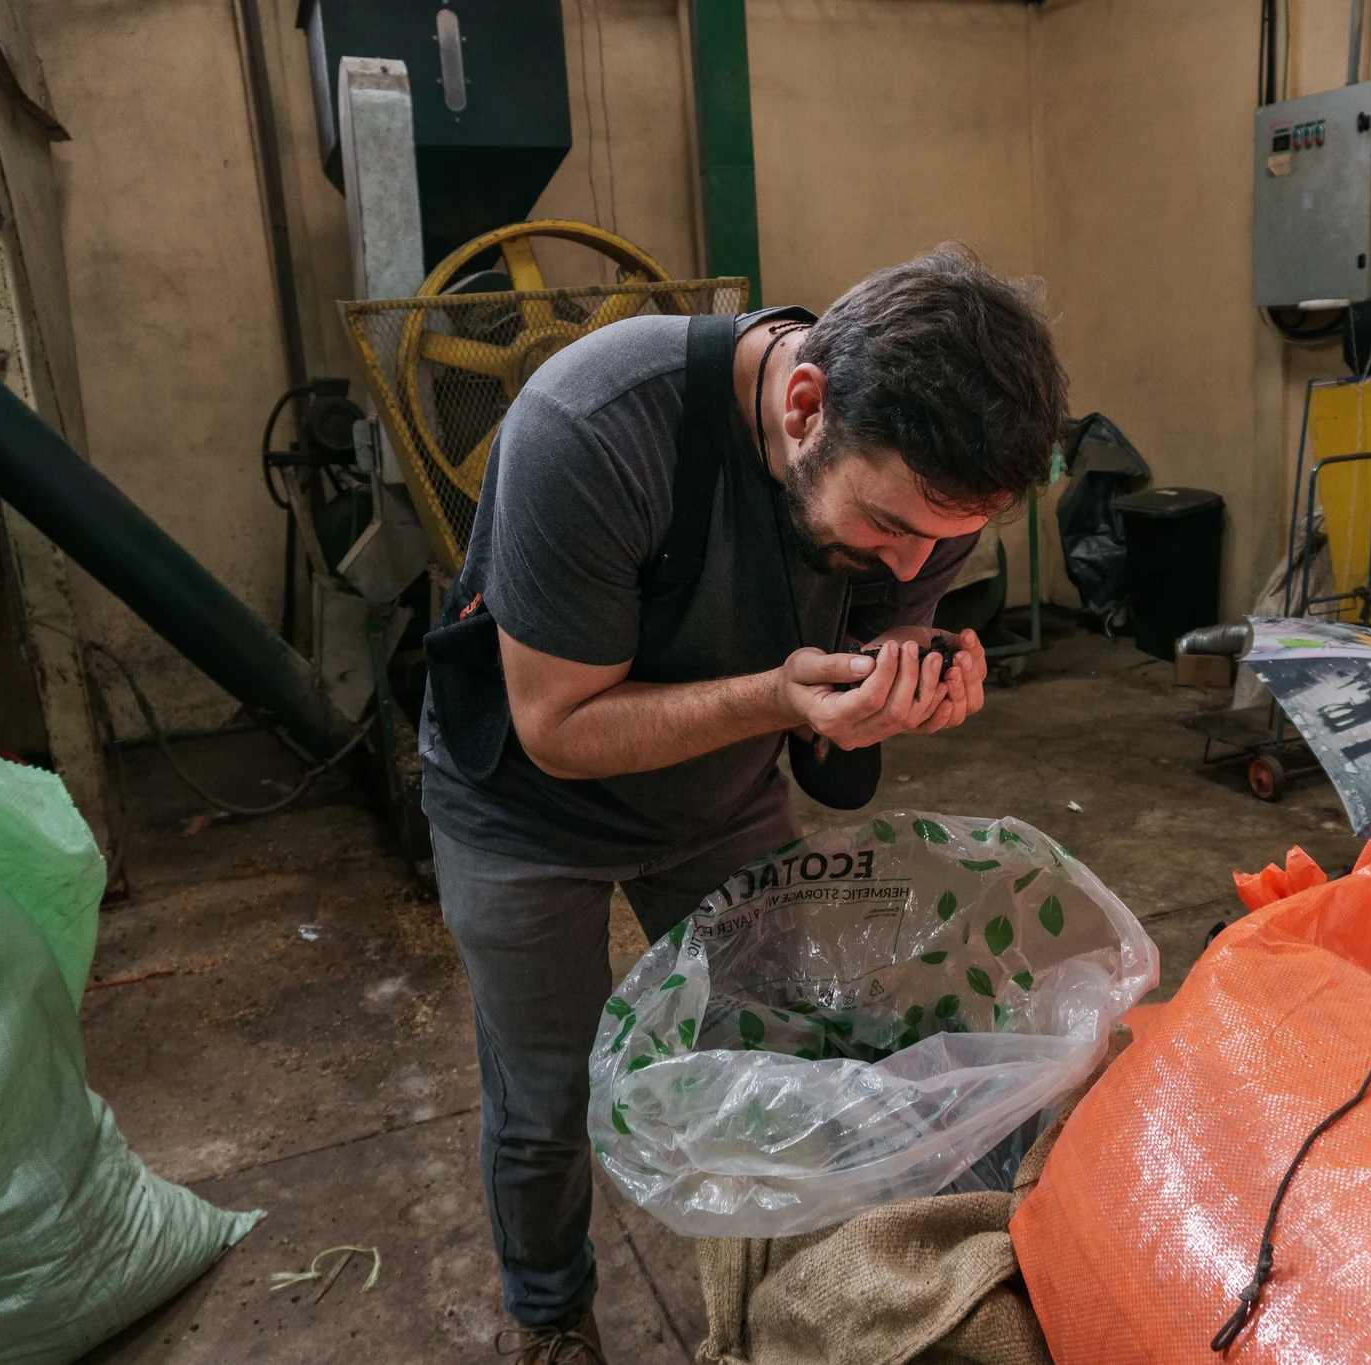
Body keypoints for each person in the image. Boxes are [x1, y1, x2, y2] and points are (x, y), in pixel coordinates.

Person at [420, 246, 1067, 1363]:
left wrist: (895, 689)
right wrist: (778, 695)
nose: (915, 557)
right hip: (526, 815)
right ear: (805, 404)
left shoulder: (921, 489)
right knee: (542, 1101)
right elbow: (556, 724)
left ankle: (794, 1298)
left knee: (794, 1054)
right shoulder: (590, 426)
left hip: (716, 801)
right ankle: (549, 1317)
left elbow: (884, 632)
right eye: (890, 526)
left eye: (946, 539)